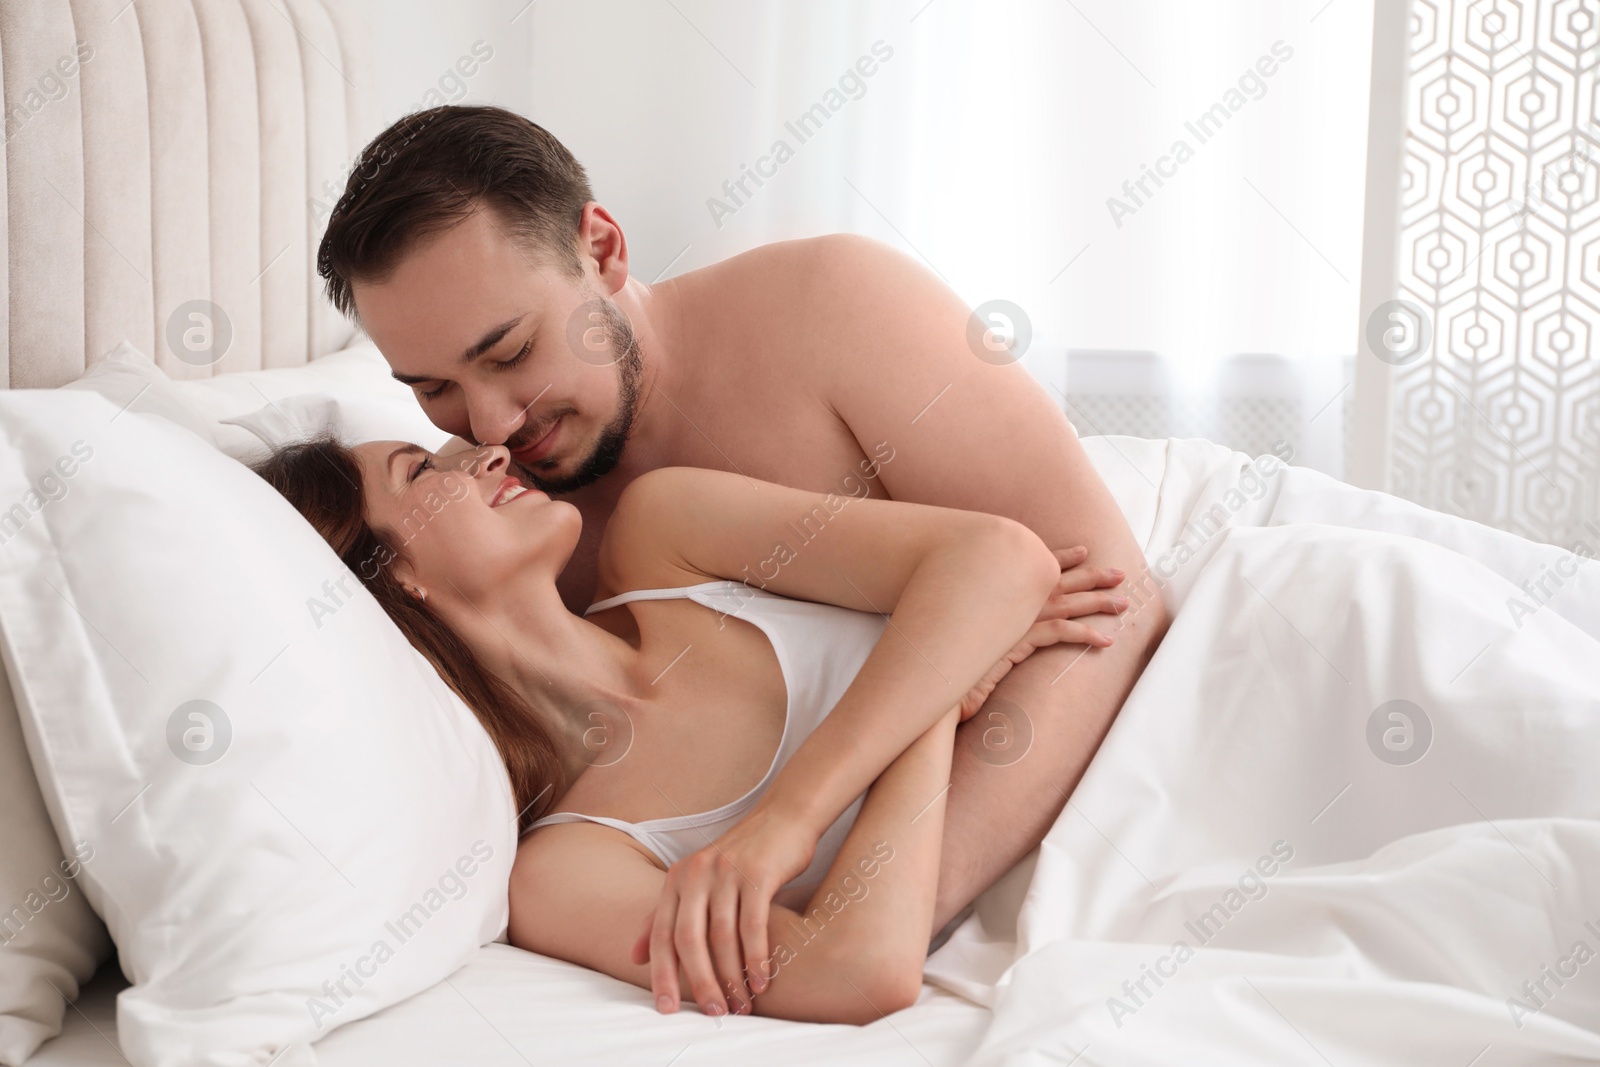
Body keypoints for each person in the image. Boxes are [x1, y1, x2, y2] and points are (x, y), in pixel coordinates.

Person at [315, 103, 1170, 1014]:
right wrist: (852, 899)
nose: (489, 428)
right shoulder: (521, 556)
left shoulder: (830, 305)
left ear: (601, 249)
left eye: (513, 351)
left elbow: (1116, 597)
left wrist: (821, 858)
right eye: (434, 391)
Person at [254, 436, 1129, 1022]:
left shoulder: (664, 535)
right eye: (420, 471)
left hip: (1138, 689)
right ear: (392, 579)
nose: (485, 451)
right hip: (1111, 867)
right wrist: (940, 693)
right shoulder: (563, 869)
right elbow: (857, 973)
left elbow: (1005, 557)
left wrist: (789, 818)